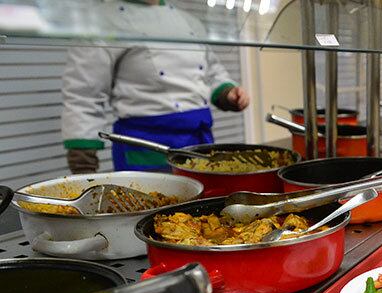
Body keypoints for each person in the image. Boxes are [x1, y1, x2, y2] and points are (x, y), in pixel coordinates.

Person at [61, 0, 249, 174]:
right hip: (146, 146)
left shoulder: (187, 21)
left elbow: (211, 71)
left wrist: (228, 92)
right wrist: (82, 163)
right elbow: (84, 95)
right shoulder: (100, 21)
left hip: (197, 143)